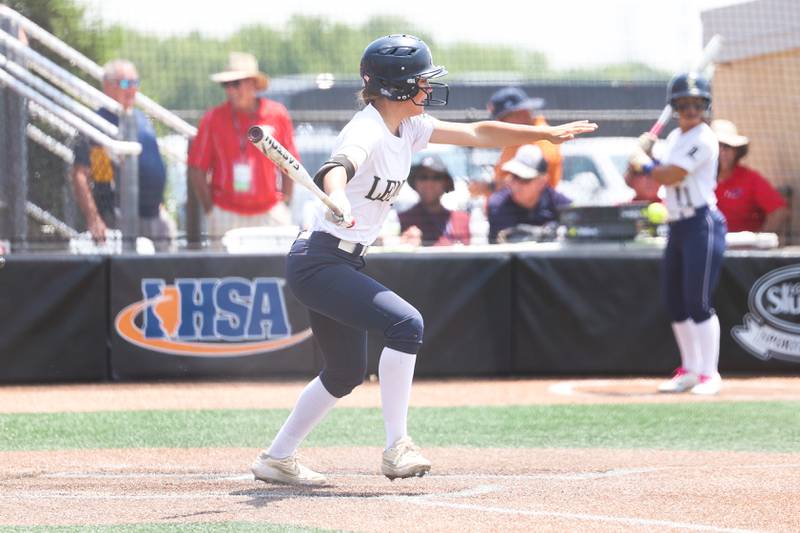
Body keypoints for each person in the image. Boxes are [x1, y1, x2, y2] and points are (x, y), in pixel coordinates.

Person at [250, 34, 597, 486]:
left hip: (341, 261)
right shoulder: (367, 128)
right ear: (396, 86)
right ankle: (398, 447)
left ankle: (277, 457)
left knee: (344, 372)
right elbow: (337, 167)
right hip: (318, 260)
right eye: (420, 81)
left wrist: (544, 133)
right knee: (406, 324)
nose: (427, 89)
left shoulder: (408, 126)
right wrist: (336, 195)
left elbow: (477, 134)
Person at [628, 72, 726, 395]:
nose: (690, 110)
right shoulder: (673, 140)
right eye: (684, 104)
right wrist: (640, 153)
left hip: (702, 222)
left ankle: (709, 374)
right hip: (677, 224)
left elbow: (671, 175)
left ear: (705, 106)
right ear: (675, 106)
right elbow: (635, 177)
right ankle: (690, 369)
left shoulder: (704, 138)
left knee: (698, 300)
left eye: (696, 104)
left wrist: (644, 163)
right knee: (675, 301)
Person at [188, 52, 296, 244]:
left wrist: (284, 204)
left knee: (275, 272)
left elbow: (289, 163)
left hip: (270, 213)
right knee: (223, 274)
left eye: (236, 83)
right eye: (226, 85)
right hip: (225, 214)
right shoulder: (212, 119)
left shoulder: (277, 114)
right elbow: (197, 169)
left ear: (253, 83)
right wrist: (211, 211)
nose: (230, 90)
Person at [72, 59, 176, 251]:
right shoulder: (95, 123)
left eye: (135, 83)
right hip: (120, 217)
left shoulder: (141, 117)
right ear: (107, 86)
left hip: (154, 215)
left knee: (165, 275)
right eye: (126, 83)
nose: (132, 89)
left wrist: (159, 203)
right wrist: (93, 218)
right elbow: (80, 175)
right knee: (129, 277)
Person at [712, 119, 788, 234]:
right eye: (717, 146)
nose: (722, 152)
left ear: (737, 151)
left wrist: (760, 241)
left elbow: (779, 210)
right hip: (707, 247)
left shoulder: (750, 178)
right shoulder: (698, 179)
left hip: (742, 248)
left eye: (727, 146)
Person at [487, 144, 571, 243]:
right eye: (514, 176)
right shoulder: (497, 206)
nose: (515, 184)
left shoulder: (562, 206)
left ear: (542, 181)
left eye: (524, 179)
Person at [487, 87, 564, 191]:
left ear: (520, 113)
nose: (500, 124)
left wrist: (489, 187)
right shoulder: (517, 137)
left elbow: (531, 180)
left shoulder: (543, 137)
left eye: (502, 119)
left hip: (535, 206)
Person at [398, 155, 470, 246]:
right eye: (423, 177)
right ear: (415, 182)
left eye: (437, 177)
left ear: (446, 183)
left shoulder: (462, 219)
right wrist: (406, 246)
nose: (429, 183)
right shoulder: (403, 220)